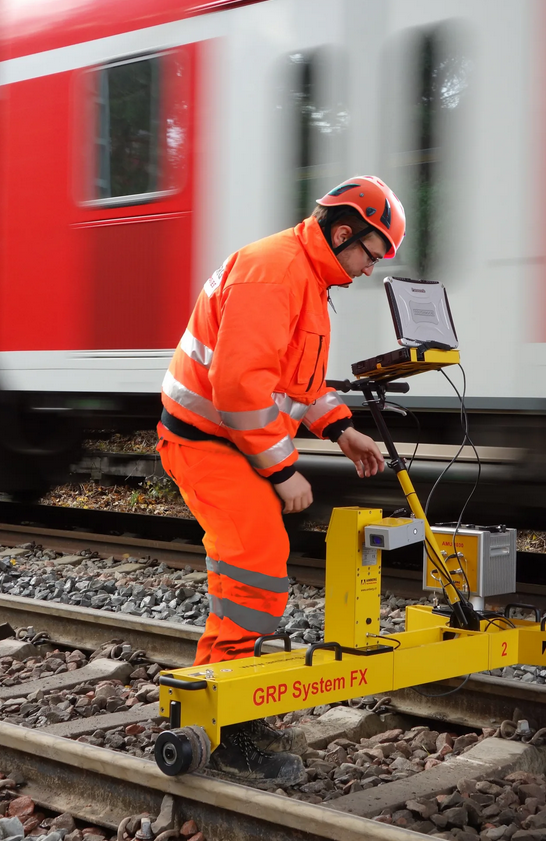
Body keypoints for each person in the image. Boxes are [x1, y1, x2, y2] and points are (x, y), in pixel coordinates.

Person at [156, 176, 406, 784]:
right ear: (343, 232)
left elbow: (294, 384)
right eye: (372, 254)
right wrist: (284, 470)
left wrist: (340, 428)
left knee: (250, 568)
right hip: (207, 442)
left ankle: (215, 705)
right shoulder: (275, 272)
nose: (372, 269)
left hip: (231, 441)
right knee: (255, 562)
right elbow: (240, 390)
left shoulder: (308, 277)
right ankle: (226, 726)